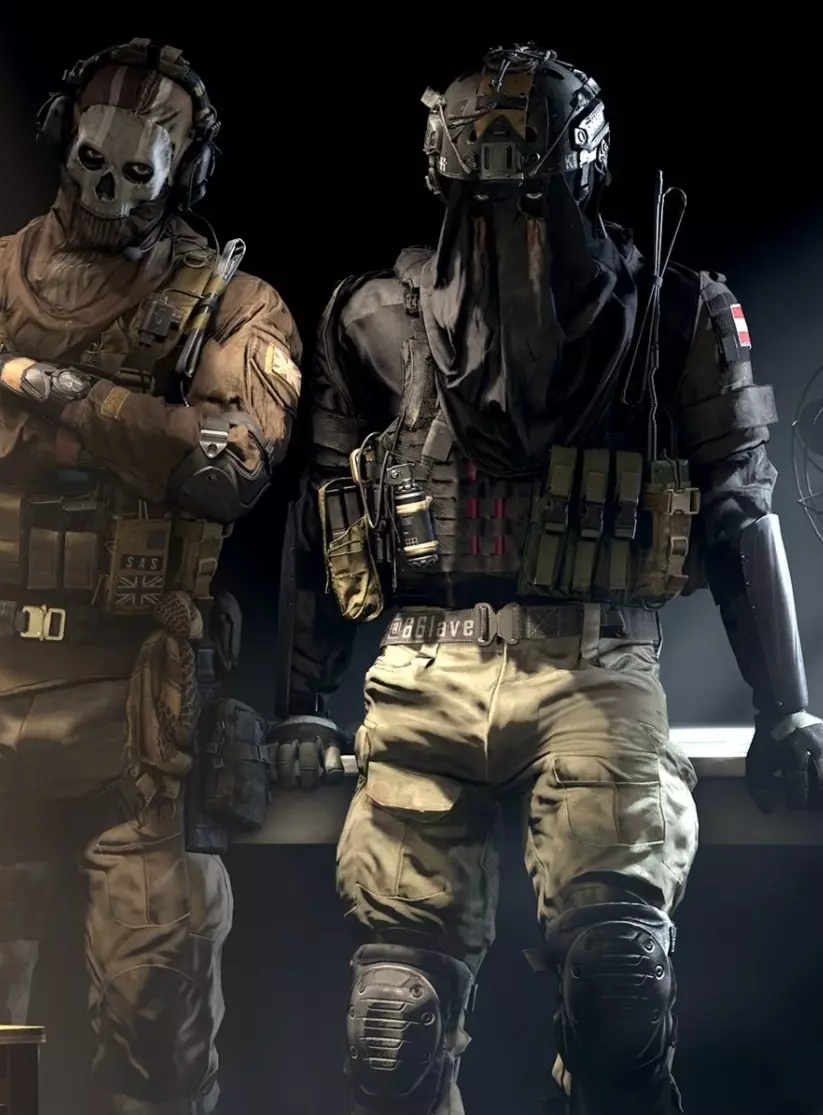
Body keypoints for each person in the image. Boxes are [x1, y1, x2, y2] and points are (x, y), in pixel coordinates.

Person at [271, 42, 823, 1115]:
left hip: (594, 668)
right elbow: (329, 512)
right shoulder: (373, 318)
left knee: (618, 984)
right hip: (425, 669)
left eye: (535, 194)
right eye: (486, 193)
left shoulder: (674, 314)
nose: (512, 220)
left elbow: (736, 510)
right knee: (391, 1024)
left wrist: (785, 706)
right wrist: (299, 698)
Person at [0, 38, 301, 1115]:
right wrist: (117, 427)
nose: (106, 193)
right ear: (64, 143)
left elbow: (226, 469)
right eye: (93, 163)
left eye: (136, 173)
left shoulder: (236, 306)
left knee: (158, 1047)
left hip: (134, 715)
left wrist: (24, 380)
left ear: (184, 172)